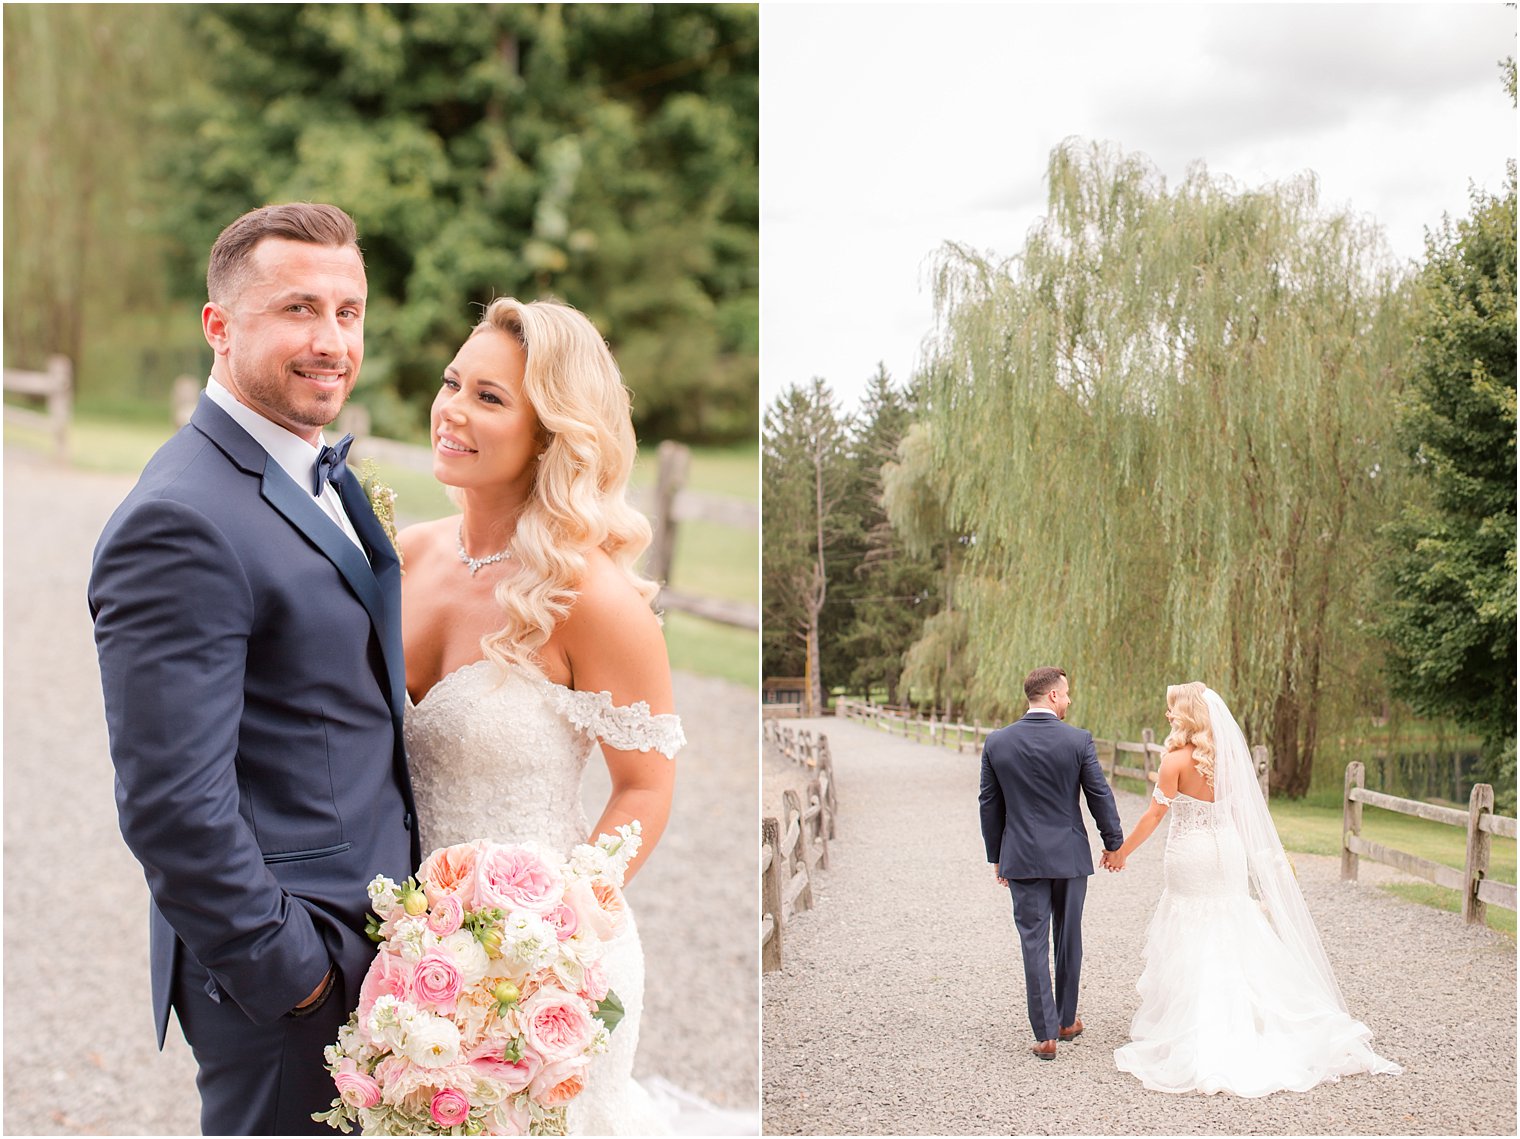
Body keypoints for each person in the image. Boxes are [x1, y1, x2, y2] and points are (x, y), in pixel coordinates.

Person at [89, 203, 419, 1134]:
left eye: (348, 312)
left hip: (375, 951)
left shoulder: (307, 468)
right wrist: (300, 978)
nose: (331, 340)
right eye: (298, 309)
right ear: (219, 326)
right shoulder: (180, 520)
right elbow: (170, 805)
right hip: (291, 984)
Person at [398, 297, 689, 1134]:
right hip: (406, 960)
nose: (452, 409)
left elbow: (643, 787)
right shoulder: (404, 556)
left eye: (490, 398)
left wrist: (549, 933)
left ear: (551, 434)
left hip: (549, 975)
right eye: (454, 382)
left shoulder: (591, 598)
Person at [1108, 682, 1402, 1095]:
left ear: (1190, 714)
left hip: (1190, 853)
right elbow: (1245, 816)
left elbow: (1154, 816)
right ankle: (1250, 1014)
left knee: (1192, 925)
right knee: (1232, 919)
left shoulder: (1173, 760)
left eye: (1173, 709)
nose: (1168, 716)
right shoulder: (1226, 760)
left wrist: (1121, 852)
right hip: (1227, 852)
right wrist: (1267, 862)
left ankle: (1197, 1027)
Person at [979, 667, 1125, 1060]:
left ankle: (1045, 1034)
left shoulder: (997, 743)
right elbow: (1099, 795)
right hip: (1069, 856)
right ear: (1054, 696)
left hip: (1022, 856)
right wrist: (1114, 844)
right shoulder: (1078, 740)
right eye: (1067, 694)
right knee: (1068, 936)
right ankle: (1065, 1020)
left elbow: (990, 804)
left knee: (1033, 940)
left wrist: (997, 856)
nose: (1070, 700)